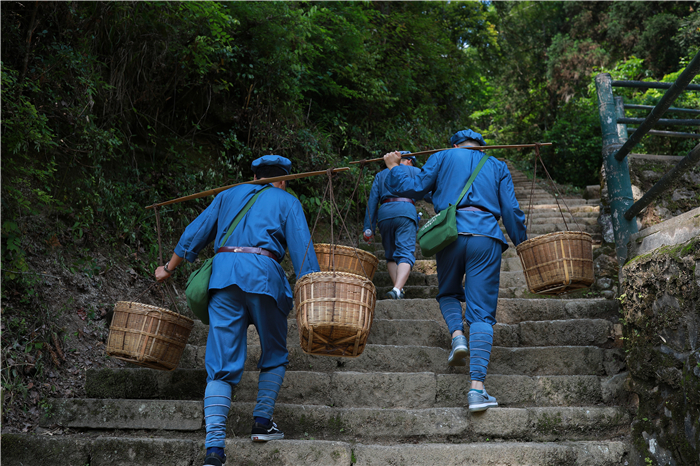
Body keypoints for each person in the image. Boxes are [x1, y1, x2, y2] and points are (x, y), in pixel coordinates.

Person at [155, 155, 320, 466]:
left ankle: (214, 449)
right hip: (264, 278)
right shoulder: (286, 200)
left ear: (253, 175)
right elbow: (304, 256)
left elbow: (195, 232)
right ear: (283, 180)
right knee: (274, 351)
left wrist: (168, 268)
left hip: (224, 278)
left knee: (220, 365)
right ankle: (261, 422)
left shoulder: (228, 194)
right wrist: (314, 290)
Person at [382, 129, 527, 413]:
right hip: (486, 237)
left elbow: (416, 188)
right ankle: (477, 390)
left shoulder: (441, 157)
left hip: (449, 235)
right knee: (482, 313)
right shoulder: (496, 165)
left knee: (447, 291)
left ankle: (458, 336)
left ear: (456, 145)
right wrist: (523, 243)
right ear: (480, 147)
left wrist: (394, 168)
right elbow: (510, 208)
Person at [363, 151, 427, 299]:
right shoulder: (414, 171)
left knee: (391, 255)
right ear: (409, 161)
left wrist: (369, 228)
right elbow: (429, 191)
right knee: (405, 251)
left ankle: (398, 290)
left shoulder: (381, 175)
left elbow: (372, 202)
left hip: (384, 214)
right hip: (405, 211)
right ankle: (397, 288)